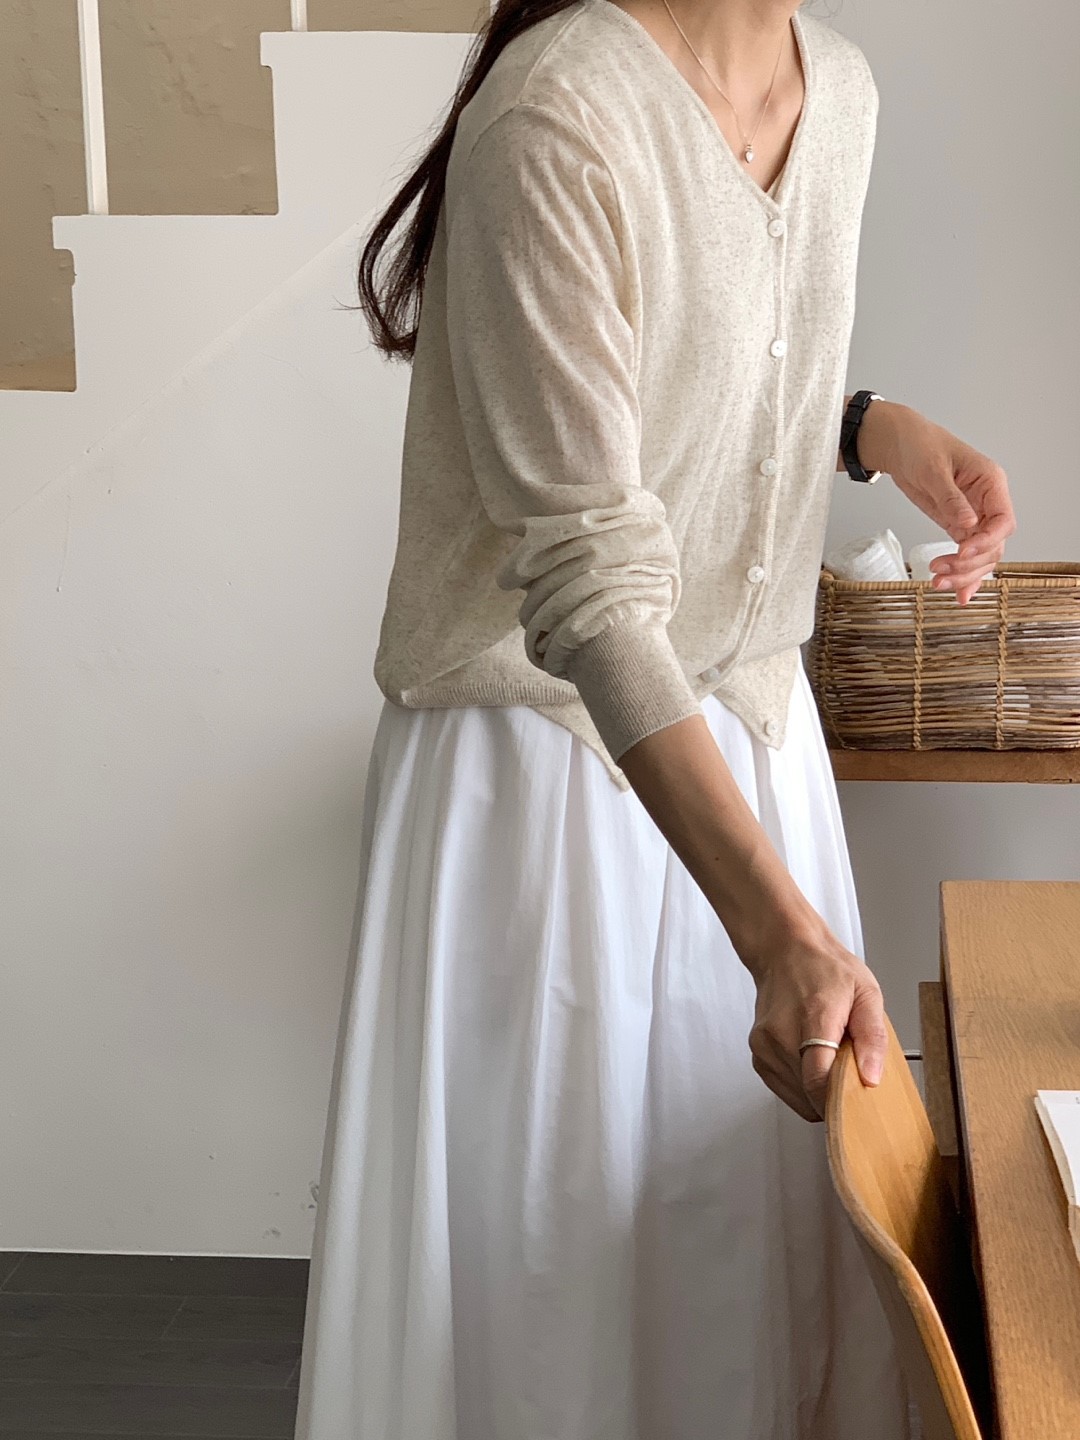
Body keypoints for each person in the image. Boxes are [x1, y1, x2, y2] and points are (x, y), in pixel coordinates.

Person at [293, 1, 1016, 1435]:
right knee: (558, 1306)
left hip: (756, 740)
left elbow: (701, 364)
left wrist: (868, 428)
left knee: (747, 1280)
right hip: (552, 768)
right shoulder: (553, 112)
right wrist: (780, 932)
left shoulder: (841, 93)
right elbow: (584, 579)